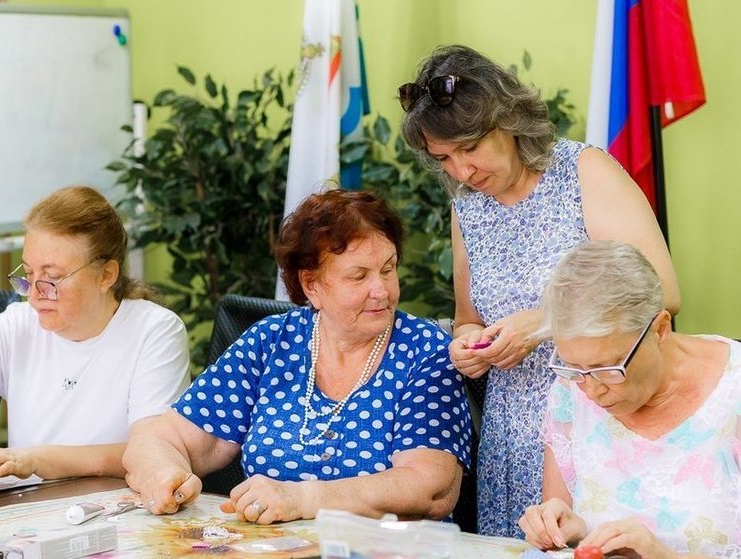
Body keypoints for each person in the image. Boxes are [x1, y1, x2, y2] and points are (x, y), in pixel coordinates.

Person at [398, 44, 681, 536]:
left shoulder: (582, 171)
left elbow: (661, 294)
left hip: (602, 413)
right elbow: (470, 315)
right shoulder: (468, 208)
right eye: (444, 158)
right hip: (512, 435)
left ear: (507, 119)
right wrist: (469, 345)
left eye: (470, 148)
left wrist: (544, 322)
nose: (462, 171)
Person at [122, 188, 472, 524]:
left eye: (388, 269)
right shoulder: (272, 342)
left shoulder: (426, 351)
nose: (381, 290)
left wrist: (304, 498)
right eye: (359, 276)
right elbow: (159, 439)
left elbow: (430, 487)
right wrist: (164, 476)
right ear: (311, 285)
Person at [518, 240, 740, 559]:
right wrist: (568, 530)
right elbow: (565, 536)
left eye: (608, 368)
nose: (591, 390)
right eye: (574, 367)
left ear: (660, 329)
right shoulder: (570, 392)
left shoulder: (734, 389)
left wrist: (662, 555)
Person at [0, 185, 189, 480]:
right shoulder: (16, 325)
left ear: (106, 275)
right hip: (28, 512)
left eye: (52, 278)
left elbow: (154, 452)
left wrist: (36, 460)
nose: (34, 296)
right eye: (28, 275)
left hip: (116, 512)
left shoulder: (155, 331)